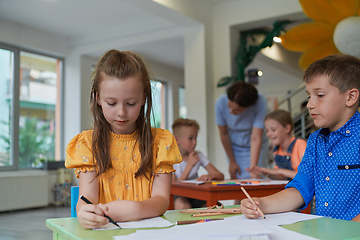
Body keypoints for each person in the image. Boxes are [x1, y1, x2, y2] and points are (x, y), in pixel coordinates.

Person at [65, 50, 182, 229]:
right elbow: (87, 198)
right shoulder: (87, 144)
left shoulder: (161, 142)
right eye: (111, 103)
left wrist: (135, 209)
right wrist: (84, 212)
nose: (121, 112)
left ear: (144, 97)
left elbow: (161, 201)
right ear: (98, 98)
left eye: (131, 103)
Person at [240, 54, 360, 222]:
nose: (310, 104)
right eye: (308, 96)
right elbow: (300, 189)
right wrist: (262, 204)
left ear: (350, 97)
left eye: (320, 95)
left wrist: (348, 232)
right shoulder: (315, 141)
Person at [215, 81, 269, 179]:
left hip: (256, 145)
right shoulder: (220, 102)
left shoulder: (260, 101)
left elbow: (256, 137)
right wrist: (232, 161)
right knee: (236, 176)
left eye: (236, 110)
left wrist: (253, 168)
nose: (231, 112)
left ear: (248, 107)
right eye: (229, 106)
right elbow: (223, 133)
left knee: (255, 177)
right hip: (234, 146)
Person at [171, 118, 224, 209]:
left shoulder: (198, 155)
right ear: (177, 140)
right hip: (179, 195)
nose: (195, 142)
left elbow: (220, 175)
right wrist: (190, 165)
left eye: (196, 138)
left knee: (217, 206)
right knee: (183, 205)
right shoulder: (170, 158)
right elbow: (174, 185)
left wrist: (211, 176)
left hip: (196, 194)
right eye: (190, 138)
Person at [252, 110, 307, 180]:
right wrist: (267, 173)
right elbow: (283, 178)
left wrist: (280, 171)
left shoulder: (300, 143)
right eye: (267, 131)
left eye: (273, 130)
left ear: (287, 128)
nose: (268, 134)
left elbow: (306, 176)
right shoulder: (277, 149)